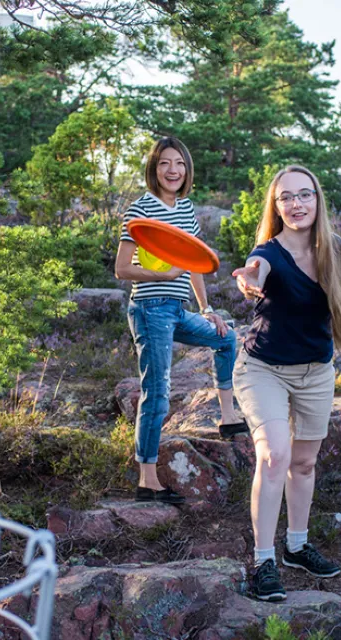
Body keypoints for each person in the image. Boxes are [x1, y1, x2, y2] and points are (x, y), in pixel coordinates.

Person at [230, 165, 341, 602]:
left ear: (317, 200)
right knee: (274, 457)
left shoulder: (334, 247)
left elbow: (335, 298)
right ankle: (263, 561)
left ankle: (296, 546)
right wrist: (248, 281)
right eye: (286, 197)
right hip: (263, 368)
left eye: (304, 195)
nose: (296, 204)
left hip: (315, 370)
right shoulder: (267, 253)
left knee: (304, 464)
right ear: (276, 206)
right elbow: (255, 274)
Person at [114, 136, 246, 505]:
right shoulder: (139, 210)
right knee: (157, 392)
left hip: (177, 310)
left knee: (226, 338)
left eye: (180, 164)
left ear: (187, 169)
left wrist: (207, 309)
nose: (173, 171)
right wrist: (163, 275)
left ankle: (227, 418)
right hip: (149, 308)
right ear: (154, 169)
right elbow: (122, 268)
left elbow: (196, 265)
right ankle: (148, 481)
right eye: (164, 164)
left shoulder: (186, 210)